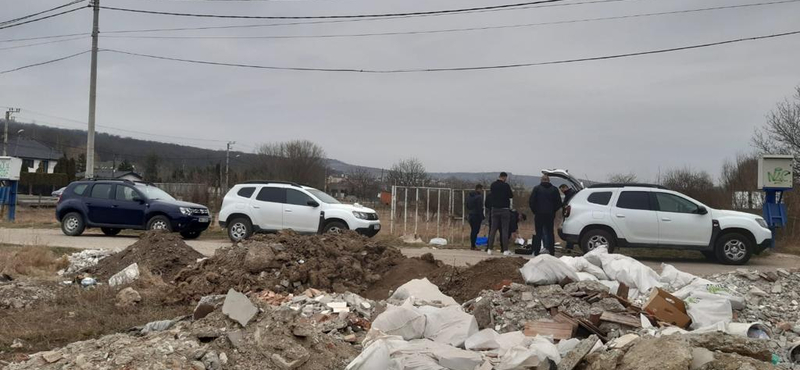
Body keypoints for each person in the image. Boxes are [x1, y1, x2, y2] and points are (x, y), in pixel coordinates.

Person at [529, 175, 563, 256]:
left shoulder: (537, 189)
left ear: (541, 180)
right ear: (549, 180)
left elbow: (531, 202)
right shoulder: (554, 189)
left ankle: (536, 251)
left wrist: (535, 211)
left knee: (538, 233)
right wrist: (553, 210)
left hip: (539, 214)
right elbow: (559, 203)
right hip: (550, 214)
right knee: (550, 232)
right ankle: (551, 251)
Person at [487, 172, 514, 256]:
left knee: (493, 229)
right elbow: (511, 195)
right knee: (504, 230)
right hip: (504, 209)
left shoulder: (493, 185)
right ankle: (505, 250)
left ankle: (489, 248)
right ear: (505, 177)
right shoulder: (506, 186)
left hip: (494, 209)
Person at [559, 184, 578, 254]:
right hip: (570, 215)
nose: (562, 191)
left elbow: (567, 204)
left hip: (570, 215)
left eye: (562, 189)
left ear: (565, 188)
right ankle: (569, 246)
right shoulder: (571, 193)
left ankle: (569, 246)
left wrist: (563, 205)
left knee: (569, 230)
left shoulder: (570, 194)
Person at [466, 184, 485, 250]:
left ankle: (472, 245)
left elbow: (467, 205)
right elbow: (479, 208)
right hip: (476, 215)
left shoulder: (469, 196)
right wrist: (482, 216)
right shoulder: (479, 197)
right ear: (479, 189)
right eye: (481, 189)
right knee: (476, 231)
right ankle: (473, 245)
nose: (482, 191)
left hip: (470, 215)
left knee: (473, 230)